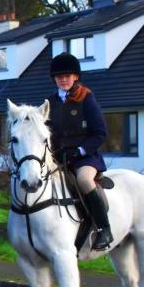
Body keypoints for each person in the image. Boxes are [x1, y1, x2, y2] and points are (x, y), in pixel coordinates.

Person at [47, 52, 112, 250]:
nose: (63, 80)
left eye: (67, 76)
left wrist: (80, 151)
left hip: (85, 157)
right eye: (59, 76)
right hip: (59, 157)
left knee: (83, 180)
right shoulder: (50, 102)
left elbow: (100, 132)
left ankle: (104, 228)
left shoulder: (86, 97)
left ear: (75, 76)